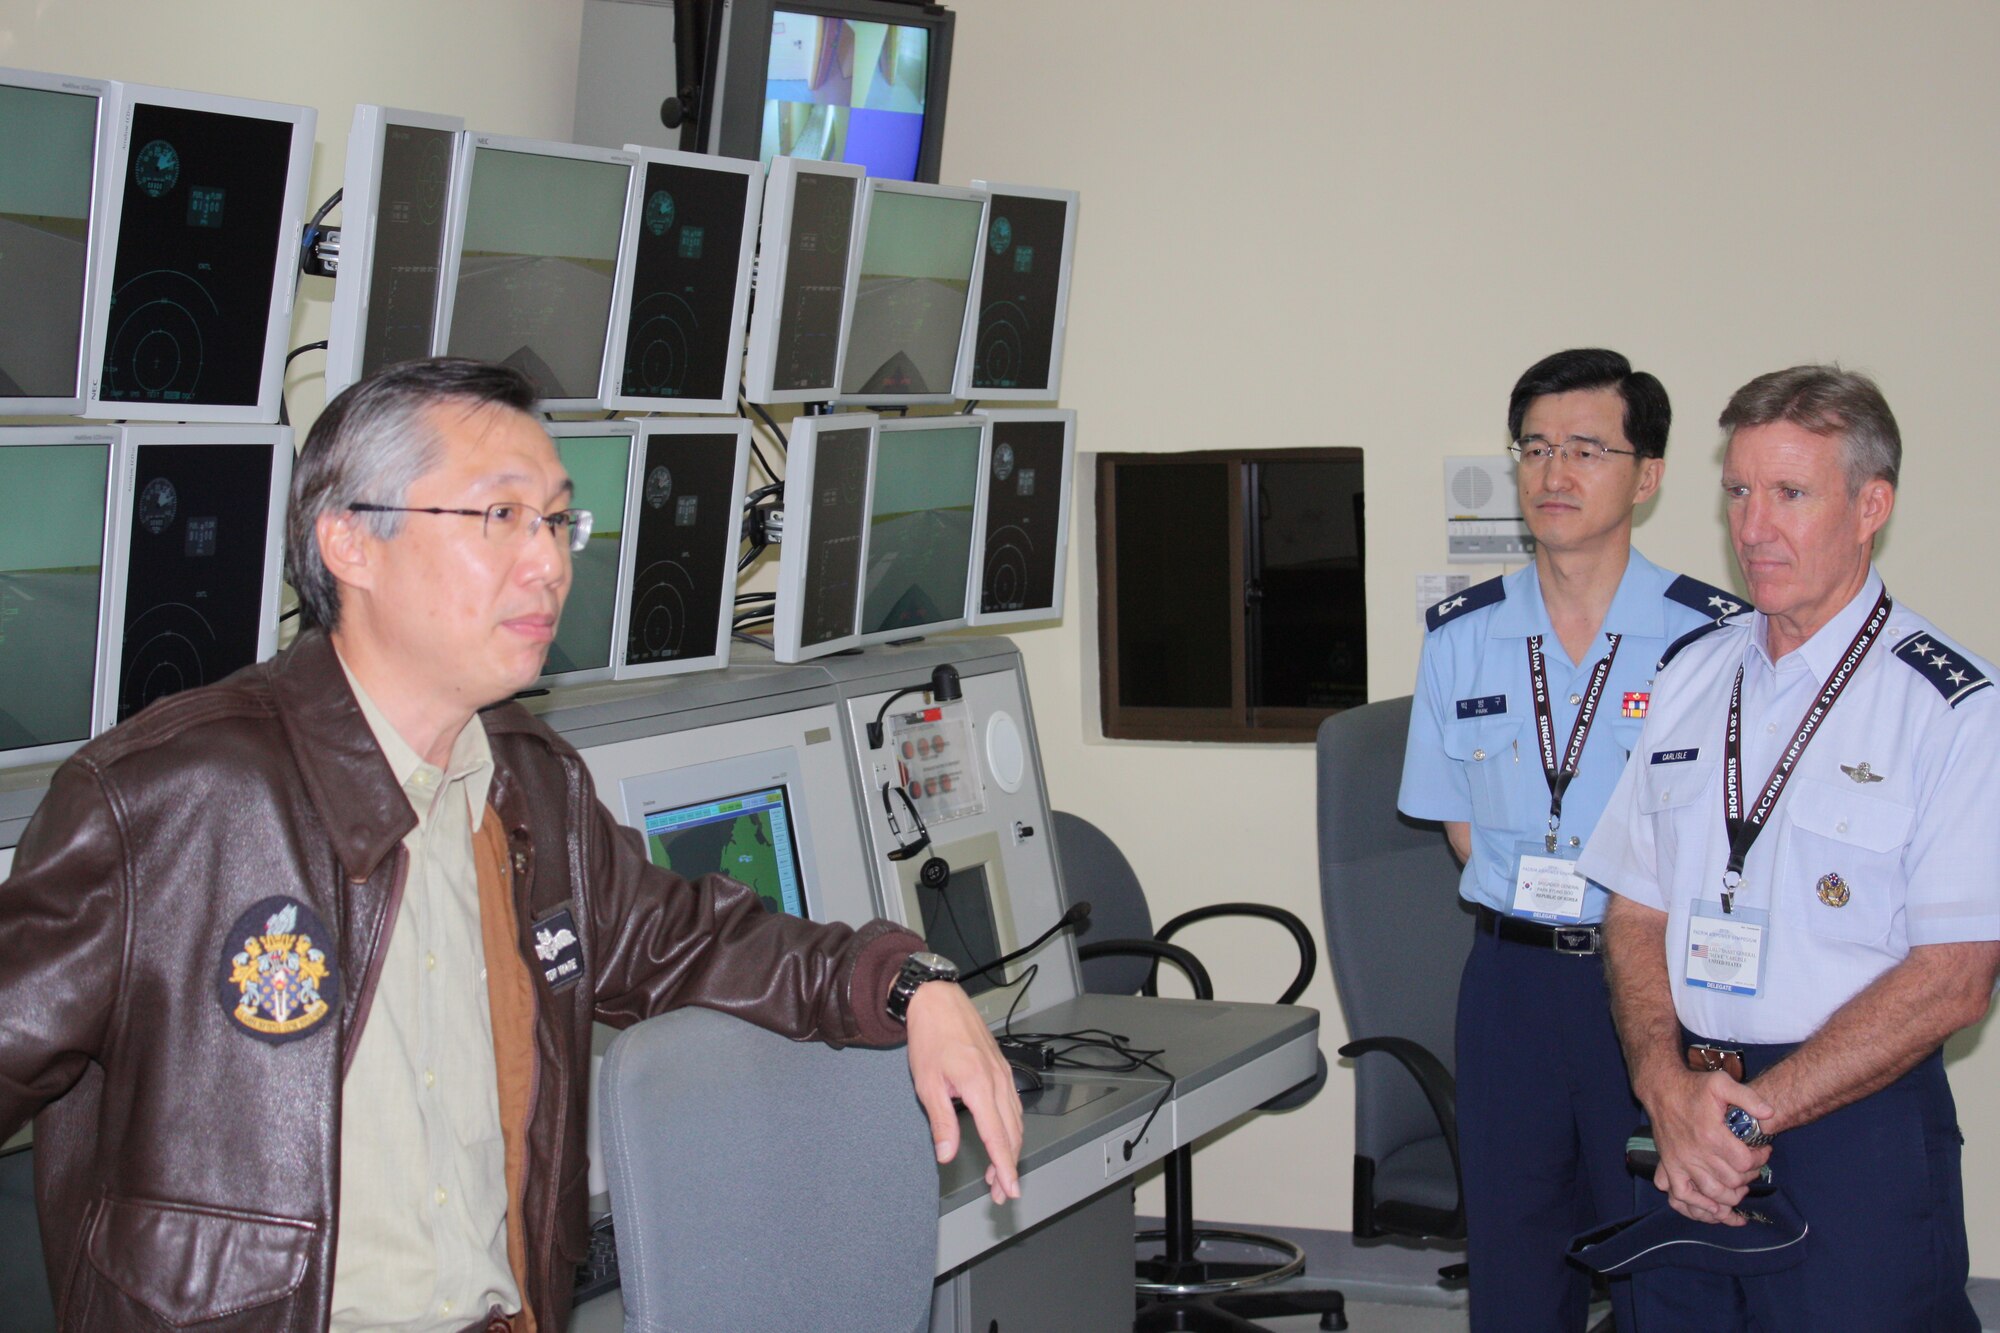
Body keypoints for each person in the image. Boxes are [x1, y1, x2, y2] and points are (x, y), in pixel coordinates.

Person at [0, 358, 1022, 1333]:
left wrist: (913, 984)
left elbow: (697, 942)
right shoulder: (169, 799)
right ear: (349, 542)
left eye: (555, 519)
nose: (549, 561)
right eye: (498, 516)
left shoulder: (531, 786)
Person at [1581, 365, 2000, 1330]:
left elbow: (1956, 976)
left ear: (1871, 506)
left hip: (1852, 1128)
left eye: (1790, 494)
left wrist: (1749, 1115)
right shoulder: (1689, 675)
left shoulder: (1947, 708)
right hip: (1684, 1123)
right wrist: (1664, 1084)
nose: (1753, 526)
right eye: (1738, 492)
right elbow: (1636, 908)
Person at [1399, 348, 1741, 1330]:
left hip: (1655, 991)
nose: (1553, 472)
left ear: (1646, 475)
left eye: (1586, 449)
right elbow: (1464, 831)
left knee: (1666, 1257)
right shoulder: (1460, 633)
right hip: (1511, 990)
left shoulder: (1707, 639)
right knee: (1512, 1267)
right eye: (1535, 447)